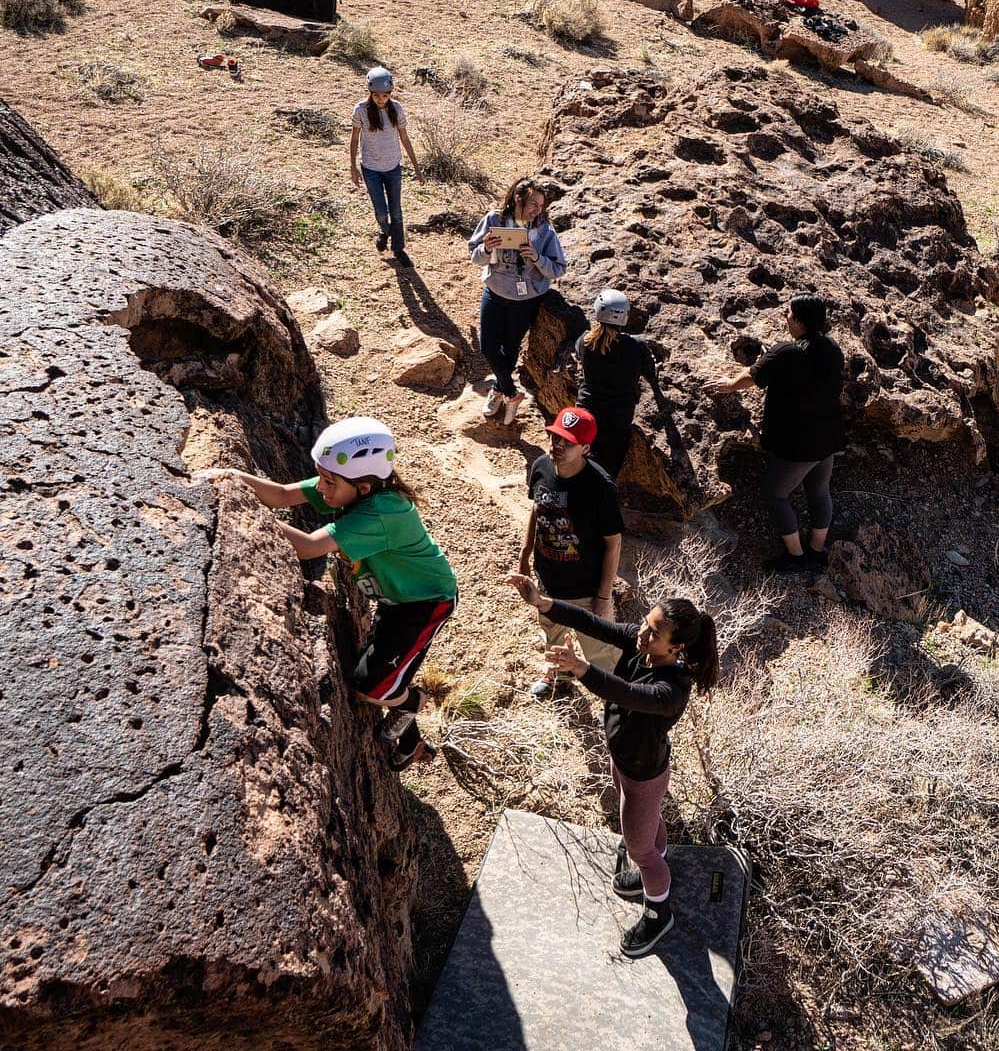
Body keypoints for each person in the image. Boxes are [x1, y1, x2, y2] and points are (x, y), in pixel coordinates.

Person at [196, 417, 457, 771]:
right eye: (321, 476)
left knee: (373, 689)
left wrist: (245, 511)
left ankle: (412, 702)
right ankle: (413, 745)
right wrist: (229, 477)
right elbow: (284, 494)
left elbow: (306, 547)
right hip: (396, 597)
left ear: (363, 487)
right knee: (387, 673)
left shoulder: (381, 514)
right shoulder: (348, 486)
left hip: (425, 603)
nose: (321, 487)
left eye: (328, 481)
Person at [506, 574, 719, 958]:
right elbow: (593, 623)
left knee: (641, 849)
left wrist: (582, 668)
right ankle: (653, 864)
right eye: (646, 623)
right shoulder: (643, 648)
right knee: (645, 822)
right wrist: (543, 603)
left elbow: (628, 693)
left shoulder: (673, 688)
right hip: (626, 761)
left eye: (654, 632)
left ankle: (658, 913)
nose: (642, 633)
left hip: (643, 773)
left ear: (677, 648)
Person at [706, 294, 844, 573]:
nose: (786, 318)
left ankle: (796, 556)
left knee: (775, 495)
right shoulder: (831, 349)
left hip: (798, 444)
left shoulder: (787, 353)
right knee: (818, 490)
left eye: (789, 315)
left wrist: (729, 385)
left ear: (800, 321)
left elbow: (753, 377)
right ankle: (817, 550)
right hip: (827, 437)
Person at [520, 406, 623, 697]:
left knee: (600, 650)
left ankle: (616, 699)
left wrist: (603, 597)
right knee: (553, 632)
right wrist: (525, 553)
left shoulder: (600, 487)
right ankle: (560, 677)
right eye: (555, 438)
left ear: (585, 448)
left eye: (568, 442)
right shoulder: (540, 466)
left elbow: (613, 543)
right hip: (549, 579)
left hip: (585, 590)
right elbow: (537, 508)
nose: (558, 445)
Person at [468, 177, 566, 424]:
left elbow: (558, 269)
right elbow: (475, 257)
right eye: (533, 204)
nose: (538, 210)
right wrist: (487, 249)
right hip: (495, 292)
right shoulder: (494, 220)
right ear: (517, 199)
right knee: (488, 347)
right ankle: (511, 392)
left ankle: (500, 390)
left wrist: (536, 257)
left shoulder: (544, 231)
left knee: (510, 348)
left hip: (526, 300)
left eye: (541, 206)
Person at [575, 288, 661, 480]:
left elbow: (582, 355)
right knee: (607, 471)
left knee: (576, 459)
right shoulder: (636, 347)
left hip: (586, 411)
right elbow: (650, 373)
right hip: (618, 417)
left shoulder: (585, 341)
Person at [350, 66, 423, 268]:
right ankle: (385, 231)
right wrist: (353, 167)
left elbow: (405, 138)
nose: (381, 99)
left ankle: (398, 249)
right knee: (381, 212)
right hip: (371, 168)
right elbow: (355, 139)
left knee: (396, 211)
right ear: (370, 93)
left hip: (393, 167)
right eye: (377, 95)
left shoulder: (396, 109)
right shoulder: (361, 110)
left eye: (385, 95)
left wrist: (416, 167)